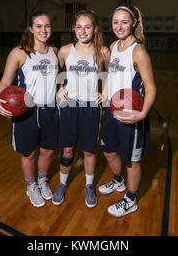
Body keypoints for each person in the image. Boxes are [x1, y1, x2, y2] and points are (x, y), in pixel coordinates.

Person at [0, 11, 59, 207]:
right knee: (29, 153)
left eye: (47, 26)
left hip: (50, 110)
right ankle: (31, 186)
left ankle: (43, 180)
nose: (43, 30)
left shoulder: (54, 51)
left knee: (47, 151)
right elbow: (5, 81)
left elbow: (58, 80)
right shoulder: (19, 52)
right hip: (26, 112)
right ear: (30, 28)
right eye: (38, 26)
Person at [99, 5, 156, 217]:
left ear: (133, 23)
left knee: (131, 159)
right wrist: (104, 94)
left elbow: (151, 87)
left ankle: (131, 200)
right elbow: (109, 74)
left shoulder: (139, 51)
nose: (119, 26)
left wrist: (142, 114)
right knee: (108, 150)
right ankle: (118, 181)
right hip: (112, 111)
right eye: (115, 22)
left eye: (124, 22)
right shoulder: (113, 46)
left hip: (132, 114)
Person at [52, 10, 110, 207]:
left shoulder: (102, 51)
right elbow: (60, 72)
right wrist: (60, 89)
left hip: (90, 108)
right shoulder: (65, 51)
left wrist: (106, 93)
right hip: (69, 106)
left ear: (94, 29)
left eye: (87, 26)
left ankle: (89, 186)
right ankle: (62, 184)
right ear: (73, 29)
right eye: (79, 26)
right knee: (67, 150)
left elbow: (109, 74)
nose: (83, 31)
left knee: (89, 151)